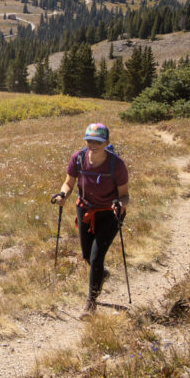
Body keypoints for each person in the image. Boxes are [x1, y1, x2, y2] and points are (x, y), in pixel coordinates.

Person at [50, 123, 129, 312]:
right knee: (87, 255)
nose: (93, 145)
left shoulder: (116, 165)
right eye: (89, 141)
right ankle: (102, 274)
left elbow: (124, 195)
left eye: (98, 142)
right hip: (85, 209)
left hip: (110, 214)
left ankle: (91, 302)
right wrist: (62, 195)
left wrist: (120, 204)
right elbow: (68, 183)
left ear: (106, 143)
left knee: (96, 257)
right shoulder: (78, 159)